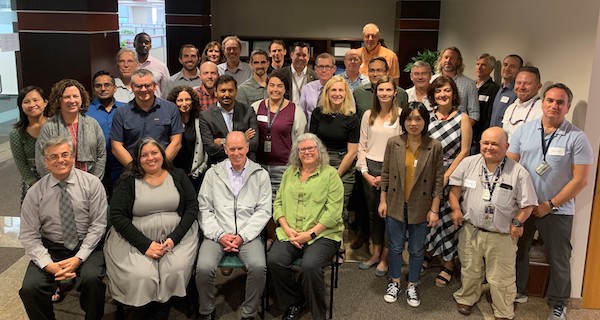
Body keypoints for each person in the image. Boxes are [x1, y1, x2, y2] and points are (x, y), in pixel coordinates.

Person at [510, 84, 593, 320]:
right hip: (524, 206)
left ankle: (559, 303)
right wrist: (520, 202)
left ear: (567, 107)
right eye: (550, 100)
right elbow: (510, 166)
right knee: (519, 251)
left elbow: (581, 180)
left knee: (559, 257)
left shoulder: (577, 138)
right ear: (542, 102)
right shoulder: (524, 131)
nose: (554, 106)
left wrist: (550, 204)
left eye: (560, 102)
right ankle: (519, 291)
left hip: (557, 210)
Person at [105, 137, 199, 319]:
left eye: (155, 153)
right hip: (135, 238)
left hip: (176, 237)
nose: (151, 158)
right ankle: (143, 310)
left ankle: (164, 307)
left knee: (174, 270)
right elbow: (117, 216)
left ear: (162, 155)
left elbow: (192, 207)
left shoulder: (178, 175)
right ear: (137, 159)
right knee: (141, 275)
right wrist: (145, 245)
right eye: (144, 155)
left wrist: (174, 238)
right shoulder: (128, 181)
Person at [449, 127, 537, 319]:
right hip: (471, 230)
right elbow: (454, 189)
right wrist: (456, 209)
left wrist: (517, 221)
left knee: (501, 278)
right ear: (480, 144)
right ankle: (467, 297)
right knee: (470, 269)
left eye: (495, 144)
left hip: (502, 235)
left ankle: (503, 309)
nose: (489, 147)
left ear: (506, 146)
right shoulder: (468, 163)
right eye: (485, 143)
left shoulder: (518, 172)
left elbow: (528, 205)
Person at [19, 137, 107, 320]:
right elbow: (29, 235)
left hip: (87, 245)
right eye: (54, 156)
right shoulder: (35, 192)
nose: (60, 160)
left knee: (92, 280)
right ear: (46, 162)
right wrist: (47, 264)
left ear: (73, 157)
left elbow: (98, 225)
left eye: (65, 154)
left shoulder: (92, 184)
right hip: (52, 247)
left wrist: (79, 257)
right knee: (30, 288)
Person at [195, 131, 272, 320]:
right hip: (217, 234)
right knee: (203, 268)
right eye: (232, 149)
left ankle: (249, 312)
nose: (236, 153)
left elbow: (263, 211)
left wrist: (243, 236)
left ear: (247, 147)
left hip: (248, 236)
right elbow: (204, 208)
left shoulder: (261, 174)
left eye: (240, 148)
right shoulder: (212, 174)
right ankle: (207, 310)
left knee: (258, 267)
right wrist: (219, 234)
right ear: (225, 149)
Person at [267, 133, 344, 320]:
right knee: (274, 261)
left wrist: (309, 235)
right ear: (297, 153)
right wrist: (286, 228)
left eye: (311, 148)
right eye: (303, 149)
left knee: (310, 266)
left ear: (319, 151)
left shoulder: (330, 175)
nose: (307, 152)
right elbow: (277, 204)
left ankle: (318, 314)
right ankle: (295, 300)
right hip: (290, 232)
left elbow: (333, 213)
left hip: (322, 235)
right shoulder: (289, 173)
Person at [378, 102, 443, 307]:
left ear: (425, 121)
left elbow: (438, 181)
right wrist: (382, 200)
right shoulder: (393, 142)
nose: (413, 123)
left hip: (421, 206)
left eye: (418, 119)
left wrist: (434, 209)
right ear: (403, 121)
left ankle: (413, 284)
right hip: (396, 203)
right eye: (409, 119)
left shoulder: (434, 146)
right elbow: (386, 174)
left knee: (416, 250)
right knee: (395, 247)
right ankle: (395, 280)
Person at [423, 75, 472, 287]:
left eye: (447, 91)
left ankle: (449, 263)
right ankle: (430, 253)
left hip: (453, 173)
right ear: (433, 96)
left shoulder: (462, 118)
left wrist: (446, 175)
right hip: (428, 172)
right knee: (428, 217)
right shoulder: (428, 117)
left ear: (454, 93)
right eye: (438, 91)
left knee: (449, 220)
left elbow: (465, 150)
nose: (442, 95)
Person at [356, 76, 402, 278]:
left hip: (392, 169)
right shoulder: (368, 115)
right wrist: (365, 172)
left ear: (395, 93)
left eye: (388, 90)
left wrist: (387, 176)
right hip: (370, 168)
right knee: (373, 214)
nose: (384, 93)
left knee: (389, 215)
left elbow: (402, 148)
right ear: (375, 92)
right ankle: (375, 254)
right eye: (380, 90)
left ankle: (385, 258)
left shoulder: (401, 116)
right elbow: (361, 146)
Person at [310, 76, 359, 249]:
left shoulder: (352, 118)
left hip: (343, 165)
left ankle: (338, 246)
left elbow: (352, 152)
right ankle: (320, 244)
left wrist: (334, 175)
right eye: (334, 90)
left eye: (341, 90)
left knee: (338, 208)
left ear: (345, 94)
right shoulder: (317, 114)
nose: (337, 94)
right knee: (318, 204)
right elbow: (313, 143)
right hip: (320, 161)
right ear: (327, 92)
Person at [110, 69, 184, 169]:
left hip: (164, 170)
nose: (144, 89)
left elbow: (176, 142)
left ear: (155, 86)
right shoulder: (121, 113)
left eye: (147, 85)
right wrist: (135, 169)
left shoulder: (170, 108)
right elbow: (116, 147)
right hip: (133, 171)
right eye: (139, 86)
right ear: (132, 87)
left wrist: (160, 167)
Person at [35, 79, 106, 180]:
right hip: (58, 182)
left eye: (75, 96)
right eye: (67, 97)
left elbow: (101, 154)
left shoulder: (92, 124)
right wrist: (54, 183)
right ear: (58, 100)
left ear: (82, 99)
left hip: (90, 181)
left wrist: (94, 181)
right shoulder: (49, 127)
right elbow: (41, 159)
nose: (72, 101)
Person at [251, 73, 307, 198]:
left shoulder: (296, 111)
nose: (275, 89)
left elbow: (301, 141)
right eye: (272, 85)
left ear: (285, 89)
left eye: (279, 86)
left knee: (282, 204)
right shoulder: (255, 107)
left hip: (285, 168)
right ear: (267, 87)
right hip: (259, 166)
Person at [199, 75, 259, 165]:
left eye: (230, 90)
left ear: (236, 91)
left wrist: (222, 141)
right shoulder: (206, 116)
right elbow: (210, 149)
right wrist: (243, 139)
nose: (227, 95)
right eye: (223, 91)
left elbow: (254, 144)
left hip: (246, 166)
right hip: (218, 167)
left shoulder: (248, 111)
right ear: (215, 92)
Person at [86, 70, 126, 194]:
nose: (103, 89)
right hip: (95, 166)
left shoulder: (126, 109)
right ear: (93, 89)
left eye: (107, 85)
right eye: (98, 86)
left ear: (115, 88)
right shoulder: (85, 112)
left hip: (122, 164)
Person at [166, 85, 208, 191]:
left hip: (195, 175)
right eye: (180, 100)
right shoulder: (168, 122)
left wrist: (201, 168)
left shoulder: (200, 120)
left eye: (187, 99)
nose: (184, 104)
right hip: (173, 175)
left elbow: (206, 148)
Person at [10, 85, 47, 201]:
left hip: (56, 177)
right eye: (26, 102)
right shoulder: (16, 133)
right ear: (21, 106)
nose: (32, 105)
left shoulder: (55, 125)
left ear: (45, 102)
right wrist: (35, 185)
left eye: (35, 100)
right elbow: (20, 163)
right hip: (32, 181)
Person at [434, 47, 479, 126]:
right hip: (434, 129)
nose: (448, 60)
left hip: (458, 131)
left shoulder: (469, 84)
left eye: (452, 58)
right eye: (446, 57)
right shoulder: (431, 81)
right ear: (440, 60)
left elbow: (474, 113)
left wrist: (462, 131)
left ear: (458, 61)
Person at [501, 66, 543, 140]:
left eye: (527, 83)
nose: (521, 87)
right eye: (518, 83)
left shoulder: (542, 109)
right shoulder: (510, 108)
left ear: (538, 87)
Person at [472, 53, 500, 153]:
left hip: (479, 136)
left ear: (491, 69)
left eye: (483, 65)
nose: (479, 67)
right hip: (467, 133)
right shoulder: (470, 85)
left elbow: (489, 115)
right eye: (477, 64)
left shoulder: (494, 89)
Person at [300, 52, 338, 124]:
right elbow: (302, 113)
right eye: (320, 66)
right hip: (311, 132)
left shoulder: (341, 89)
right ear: (315, 69)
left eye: (327, 67)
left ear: (334, 69)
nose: (324, 70)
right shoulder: (307, 88)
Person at [489, 55, 524, 127]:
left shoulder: (518, 93)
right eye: (505, 65)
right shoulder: (500, 89)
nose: (507, 68)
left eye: (512, 66)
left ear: (520, 70)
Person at [134, 32, 170, 97]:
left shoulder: (161, 66)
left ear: (150, 46)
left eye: (146, 43)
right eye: (140, 42)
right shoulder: (129, 66)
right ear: (134, 44)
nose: (143, 45)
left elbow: (166, 91)